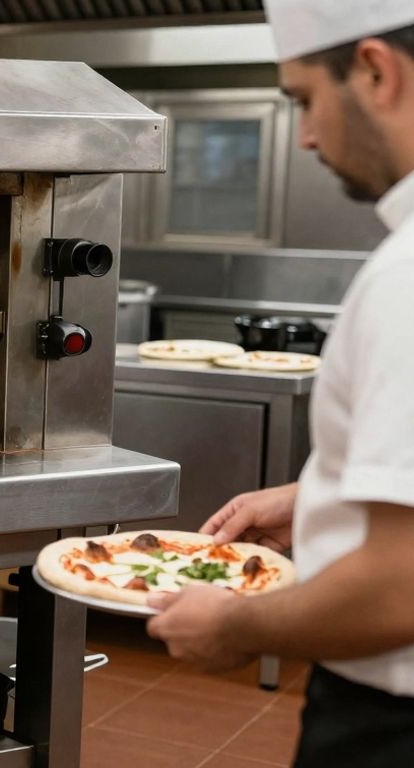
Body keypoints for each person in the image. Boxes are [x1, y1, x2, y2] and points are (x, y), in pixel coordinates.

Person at [144, 2, 414, 766]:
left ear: (376, 71)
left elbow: (400, 585)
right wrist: (322, 497)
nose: (306, 137)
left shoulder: (406, 277)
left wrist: (234, 627)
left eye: (304, 99)